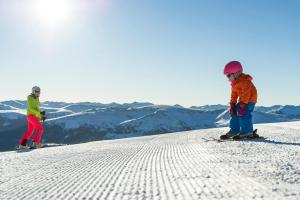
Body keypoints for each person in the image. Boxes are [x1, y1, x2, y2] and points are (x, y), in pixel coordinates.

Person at [220, 61, 257, 139]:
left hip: (250, 100)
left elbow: (246, 94)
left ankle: (247, 132)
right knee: (235, 114)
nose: (228, 78)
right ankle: (234, 130)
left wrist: (243, 106)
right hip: (243, 100)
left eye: (228, 75)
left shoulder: (245, 81)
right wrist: (232, 105)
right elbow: (233, 95)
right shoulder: (234, 83)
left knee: (244, 113)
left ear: (236, 73)